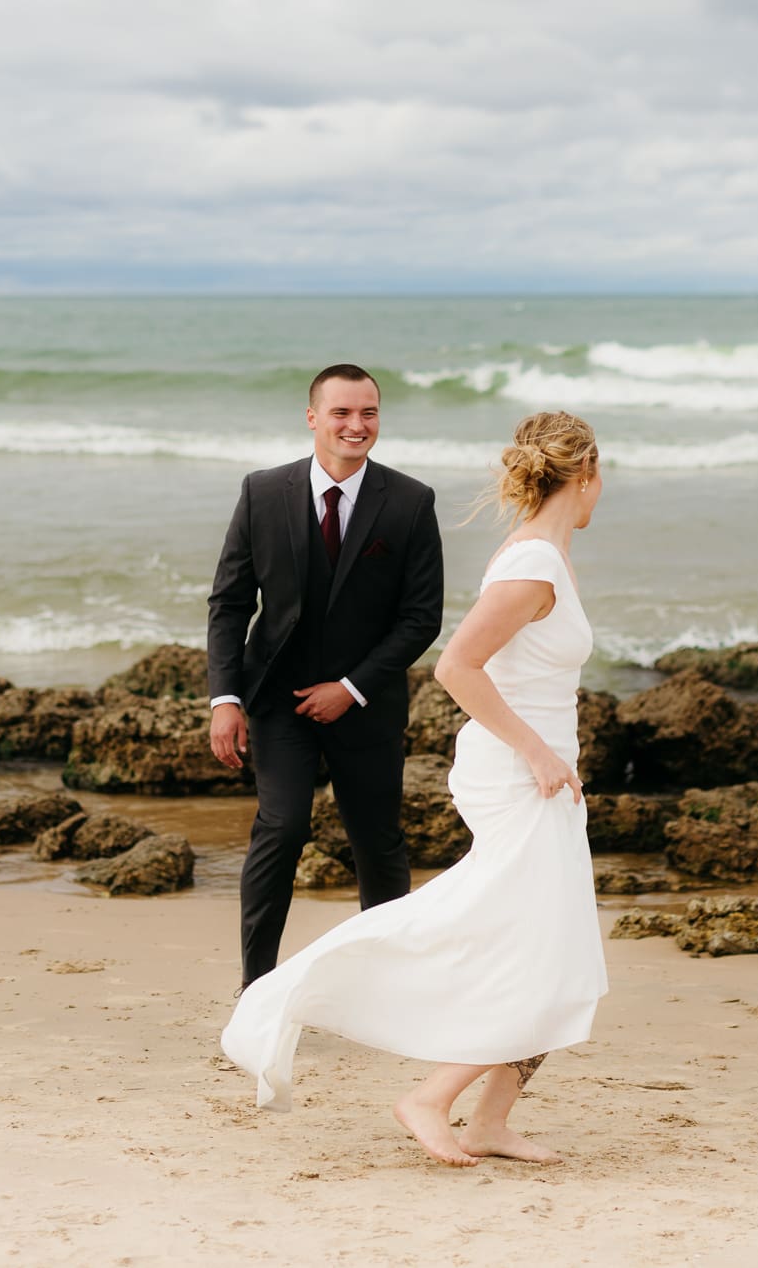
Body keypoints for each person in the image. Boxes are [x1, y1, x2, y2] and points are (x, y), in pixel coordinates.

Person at [221, 410, 608, 1167]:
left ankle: (489, 1120)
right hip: (519, 775)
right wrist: (536, 752)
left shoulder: (544, 558)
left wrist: (551, 754)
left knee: (556, 948)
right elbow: (455, 666)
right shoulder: (532, 564)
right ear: (588, 477)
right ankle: (428, 1096)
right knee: (541, 948)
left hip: (543, 773)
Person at [207, 363, 446, 990]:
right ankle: (255, 986)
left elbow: (421, 618)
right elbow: (231, 603)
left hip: (366, 703)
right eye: (342, 412)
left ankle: (387, 987)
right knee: (281, 828)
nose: (356, 425)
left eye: (368, 412)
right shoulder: (263, 492)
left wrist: (352, 688)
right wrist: (225, 699)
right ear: (313, 417)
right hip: (275, 700)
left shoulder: (411, 501)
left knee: (377, 841)